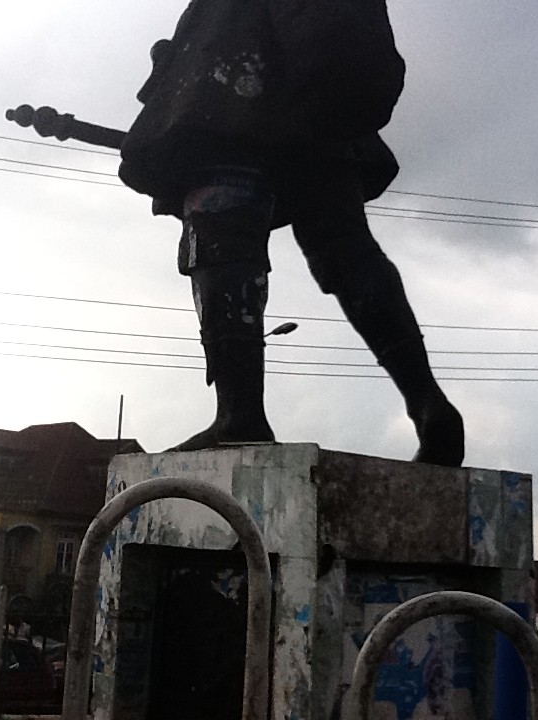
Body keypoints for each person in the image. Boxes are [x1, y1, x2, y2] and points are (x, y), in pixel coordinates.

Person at [118, 0, 464, 466]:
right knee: (346, 247)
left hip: (238, 79)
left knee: (220, 233)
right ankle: (427, 401)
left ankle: (239, 416)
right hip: (317, 96)